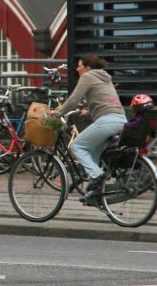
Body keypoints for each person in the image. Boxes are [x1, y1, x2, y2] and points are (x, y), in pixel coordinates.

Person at [50, 54, 125, 195]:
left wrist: (58, 112)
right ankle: (94, 194)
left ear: (87, 68)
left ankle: (97, 175)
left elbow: (73, 100)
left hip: (106, 122)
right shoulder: (106, 78)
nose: (77, 69)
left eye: (79, 66)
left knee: (77, 146)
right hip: (121, 120)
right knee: (93, 154)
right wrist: (89, 112)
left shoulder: (87, 76)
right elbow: (107, 103)